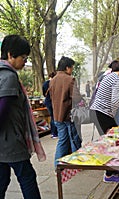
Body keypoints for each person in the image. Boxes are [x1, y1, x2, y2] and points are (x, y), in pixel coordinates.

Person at [0, 34, 46, 199]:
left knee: (2, 179)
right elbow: (2, 108)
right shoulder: (9, 76)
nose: (25, 62)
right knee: (27, 177)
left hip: (4, 141)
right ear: (11, 54)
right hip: (10, 140)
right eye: (23, 58)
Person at [49, 56, 83, 168]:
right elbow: (76, 98)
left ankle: (57, 165)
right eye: (72, 67)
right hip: (69, 116)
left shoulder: (53, 80)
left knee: (62, 140)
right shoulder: (70, 80)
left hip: (57, 116)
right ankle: (76, 164)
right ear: (67, 67)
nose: (72, 70)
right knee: (74, 139)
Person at [42, 71, 58, 138]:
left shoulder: (45, 83)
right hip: (53, 101)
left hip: (47, 101)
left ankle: (53, 133)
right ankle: (55, 132)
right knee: (55, 117)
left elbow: (44, 93)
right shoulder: (54, 83)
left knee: (52, 117)